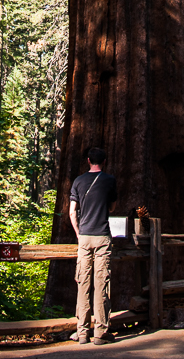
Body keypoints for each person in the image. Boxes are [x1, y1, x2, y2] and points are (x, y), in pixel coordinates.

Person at [69, 147, 117, 345]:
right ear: (104, 161)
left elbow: (72, 212)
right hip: (102, 236)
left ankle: (81, 332)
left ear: (88, 160)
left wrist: (79, 234)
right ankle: (100, 332)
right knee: (101, 284)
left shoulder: (78, 181)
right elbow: (112, 207)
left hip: (85, 238)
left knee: (83, 283)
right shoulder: (109, 180)